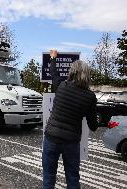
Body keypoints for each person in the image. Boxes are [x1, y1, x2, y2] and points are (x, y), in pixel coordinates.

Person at [42, 50, 98, 189]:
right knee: (72, 178)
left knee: (49, 177)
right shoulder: (90, 97)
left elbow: (53, 73)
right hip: (71, 142)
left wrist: (53, 58)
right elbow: (93, 125)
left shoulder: (61, 86)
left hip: (51, 137)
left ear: (72, 72)